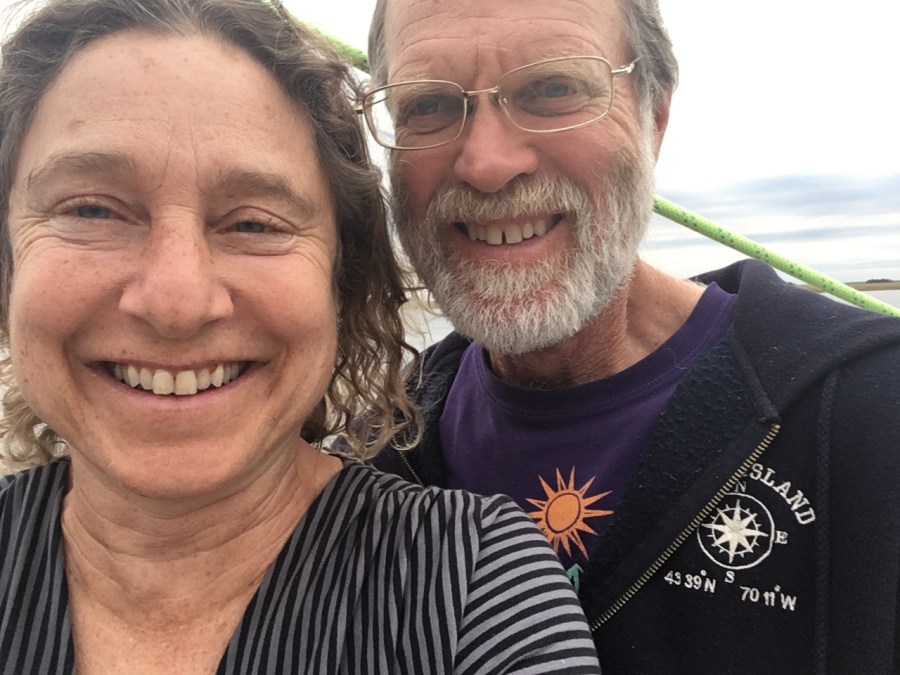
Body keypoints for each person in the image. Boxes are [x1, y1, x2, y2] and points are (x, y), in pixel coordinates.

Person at [0, 1, 603, 672]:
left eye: (254, 223)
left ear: (342, 286)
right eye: (91, 210)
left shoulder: (474, 585)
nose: (177, 302)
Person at [356, 0, 900, 672]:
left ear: (655, 118)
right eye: (429, 105)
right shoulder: (378, 449)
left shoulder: (871, 411)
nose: (488, 163)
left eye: (553, 88)